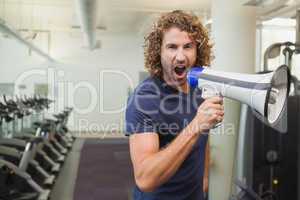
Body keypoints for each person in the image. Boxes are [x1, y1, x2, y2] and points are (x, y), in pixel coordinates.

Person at [125, 10, 224, 200]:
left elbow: (203, 140)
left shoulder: (201, 90)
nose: (180, 56)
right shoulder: (145, 99)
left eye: (188, 46)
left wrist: (203, 182)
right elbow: (145, 179)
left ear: (197, 51)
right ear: (158, 52)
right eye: (172, 47)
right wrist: (197, 125)